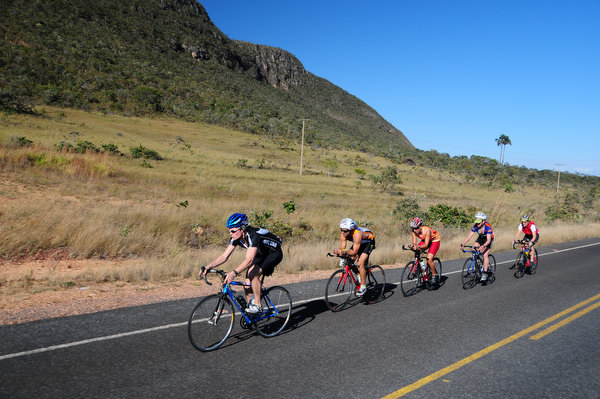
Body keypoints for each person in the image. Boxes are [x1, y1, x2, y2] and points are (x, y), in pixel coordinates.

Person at [201, 213, 283, 314]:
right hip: (261, 254)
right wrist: (208, 266)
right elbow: (224, 256)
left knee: (253, 274)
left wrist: (233, 273)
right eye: (229, 230)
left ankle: (258, 305)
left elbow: (249, 260)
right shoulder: (235, 238)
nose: (230, 233)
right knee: (246, 283)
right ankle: (251, 312)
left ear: (243, 228)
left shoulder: (253, 235)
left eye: (233, 231)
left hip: (274, 253)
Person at [333, 218, 376, 296]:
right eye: (341, 230)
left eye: (345, 231)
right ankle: (359, 276)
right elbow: (343, 248)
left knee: (360, 263)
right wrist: (340, 252)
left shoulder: (357, 234)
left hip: (369, 242)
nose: (343, 232)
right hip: (359, 243)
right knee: (349, 261)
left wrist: (344, 252)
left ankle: (363, 286)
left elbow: (355, 252)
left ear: (351, 229)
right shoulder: (343, 234)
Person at [460, 212, 494, 282]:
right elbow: (469, 236)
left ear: (483, 221)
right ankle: (478, 263)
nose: (477, 224)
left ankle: (485, 273)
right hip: (481, 238)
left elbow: (488, 240)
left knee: (485, 255)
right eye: (477, 222)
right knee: (474, 249)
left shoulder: (488, 227)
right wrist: (463, 243)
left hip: (488, 239)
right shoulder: (475, 226)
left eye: (479, 223)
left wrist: (483, 246)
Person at [409, 217, 440, 284]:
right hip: (425, 239)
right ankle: (421, 270)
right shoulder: (414, 231)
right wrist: (413, 245)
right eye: (413, 228)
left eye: (416, 228)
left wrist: (418, 246)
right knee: (417, 253)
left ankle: (434, 275)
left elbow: (426, 245)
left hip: (434, 241)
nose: (415, 230)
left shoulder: (427, 230)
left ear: (420, 226)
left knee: (429, 258)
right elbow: (414, 242)